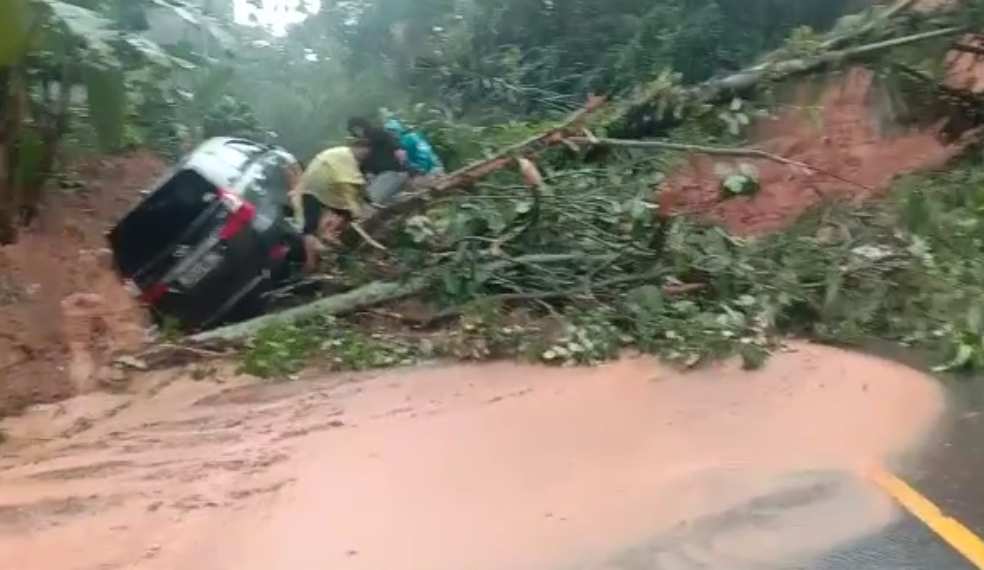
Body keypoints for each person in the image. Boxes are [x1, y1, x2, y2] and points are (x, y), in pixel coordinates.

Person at [288, 141, 374, 271]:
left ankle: (324, 250)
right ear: (357, 147)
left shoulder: (343, 155)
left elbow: (356, 185)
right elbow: (349, 188)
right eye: (364, 153)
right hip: (315, 190)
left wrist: (365, 202)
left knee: (337, 218)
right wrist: (357, 211)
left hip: (322, 191)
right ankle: (311, 262)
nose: (364, 157)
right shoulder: (345, 156)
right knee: (310, 229)